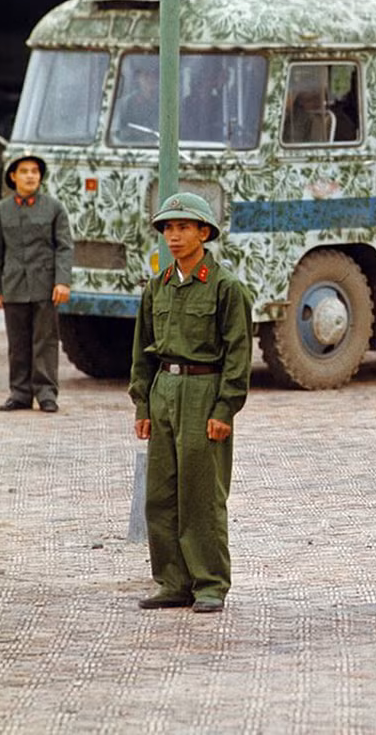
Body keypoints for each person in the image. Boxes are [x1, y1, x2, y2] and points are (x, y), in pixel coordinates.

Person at [130, 192, 253, 614]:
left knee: (202, 494)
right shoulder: (158, 288)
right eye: (168, 228)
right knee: (161, 495)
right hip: (165, 389)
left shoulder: (226, 288)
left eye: (183, 227)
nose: (174, 236)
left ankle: (210, 583)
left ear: (204, 232)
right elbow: (142, 352)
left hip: (204, 393)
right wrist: (143, 406)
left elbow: (238, 355)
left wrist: (224, 410)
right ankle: (173, 581)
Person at [0, 149, 73, 413]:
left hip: (46, 286)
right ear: (13, 176)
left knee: (45, 341)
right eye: (24, 171)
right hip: (13, 286)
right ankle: (20, 393)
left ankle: (46, 393)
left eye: (34, 171)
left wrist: (62, 281)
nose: (30, 176)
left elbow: (64, 247)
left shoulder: (54, 208)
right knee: (18, 343)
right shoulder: (1, 211)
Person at [111, 66, 160, 143]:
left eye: (154, 76)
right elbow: (119, 132)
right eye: (146, 75)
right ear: (138, 79)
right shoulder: (128, 103)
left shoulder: (165, 102)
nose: (150, 79)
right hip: (134, 146)